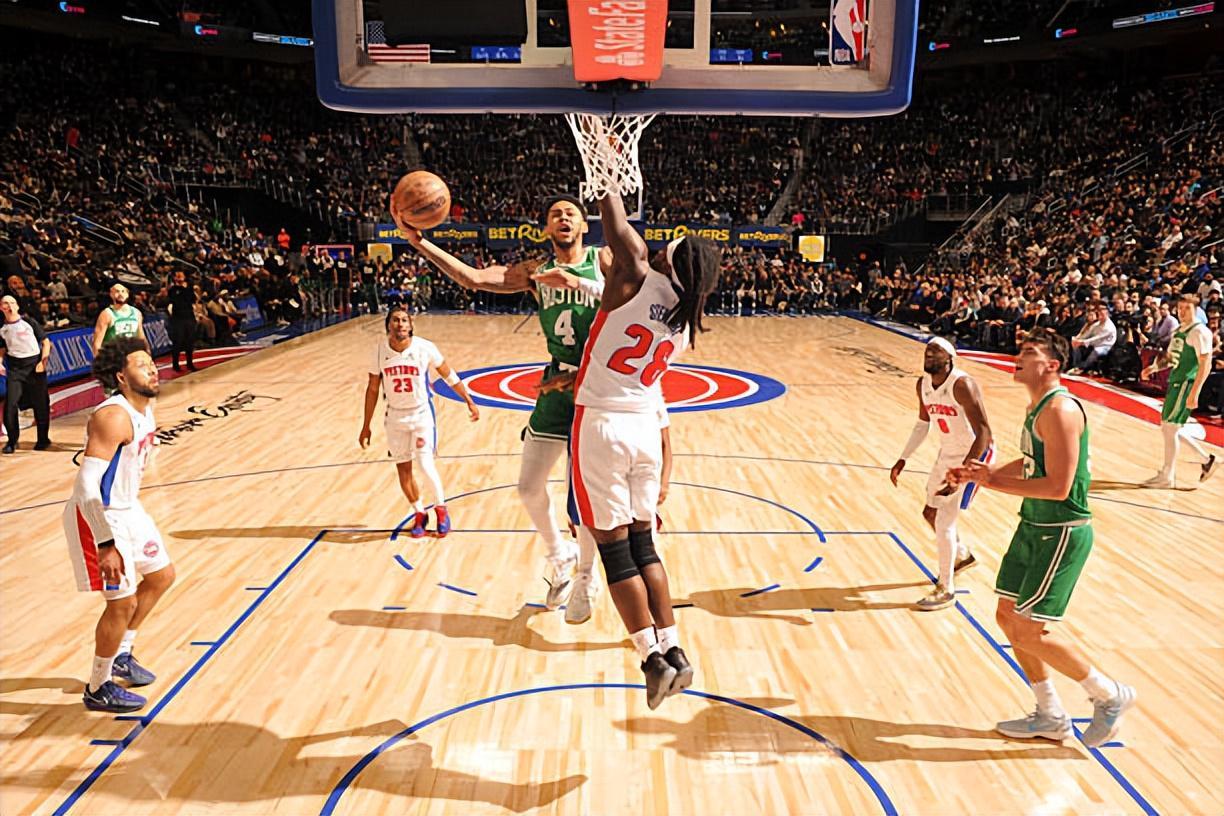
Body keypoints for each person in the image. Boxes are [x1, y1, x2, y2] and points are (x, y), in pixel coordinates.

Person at [395, 194, 611, 622]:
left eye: (571, 213)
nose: (563, 217)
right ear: (546, 228)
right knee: (528, 487)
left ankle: (588, 575)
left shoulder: (601, 261)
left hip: (596, 387)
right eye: (555, 214)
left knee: (581, 496)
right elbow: (475, 278)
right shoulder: (536, 272)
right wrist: (419, 242)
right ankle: (560, 557)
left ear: (584, 226)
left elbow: (632, 295)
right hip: (556, 385)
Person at [570, 189, 721, 709]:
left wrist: (605, 174)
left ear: (666, 259)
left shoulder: (634, 275)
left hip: (602, 425)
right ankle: (674, 649)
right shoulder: (685, 318)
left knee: (614, 551)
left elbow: (618, 228)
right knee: (644, 547)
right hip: (644, 430)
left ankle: (651, 659)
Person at [948, 328, 1134, 747]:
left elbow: (1058, 487)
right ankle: (1050, 714)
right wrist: (984, 473)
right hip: (1033, 525)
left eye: (1029, 352)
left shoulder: (1061, 410)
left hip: (1062, 530)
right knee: (1007, 617)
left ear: (1052, 365)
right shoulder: (1038, 407)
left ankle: (1109, 695)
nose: (1019, 356)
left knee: (1031, 629)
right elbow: (1034, 462)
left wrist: (992, 483)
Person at [64, 337, 176, 712]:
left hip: (128, 507)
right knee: (121, 603)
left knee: (161, 576)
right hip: (99, 514)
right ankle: (98, 687)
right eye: (141, 365)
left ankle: (122, 654)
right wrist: (105, 543)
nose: (153, 368)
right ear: (121, 377)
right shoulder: (113, 416)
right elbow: (86, 487)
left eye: (152, 362)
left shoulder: (145, 408)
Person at [890, 337, 993, 610]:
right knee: (930, 513)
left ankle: (946, 589)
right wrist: (903, 458)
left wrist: (965, 471)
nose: (929, 354)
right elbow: (922, 424)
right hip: (947, 452)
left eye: (935, 351)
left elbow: (984, 433)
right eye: (927, 350)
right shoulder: (922, 385)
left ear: (949, 358)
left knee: (945, 519)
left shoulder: (962, 385)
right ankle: (962, 555)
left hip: (975, 453)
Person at [360, 305, 480, 537]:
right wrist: (366, 425)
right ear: (388, 325)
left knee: (425, 465)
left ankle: (441, 510)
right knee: (403, 470)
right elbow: (372, 389)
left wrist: (469, 400)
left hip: (421, 414)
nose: (400, 324)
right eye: (396, 320)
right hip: (394, 416)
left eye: (404, 320)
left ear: (411, 325)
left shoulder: (425, 348)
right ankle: (419, 513)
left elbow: (449, 375)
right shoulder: (379, 352)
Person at [1139, 294, 1217, 488]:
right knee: (1170, 428)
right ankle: (1206, 460)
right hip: (1175, 380)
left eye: (1186, 308)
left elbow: (1205, 364)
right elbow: (1171, 357)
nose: (1182, 312)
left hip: (1186, 383)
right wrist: (1153, 368)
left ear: (1196, 310)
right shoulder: (1179, 330)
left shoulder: (1200, 332)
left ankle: (1167, 476)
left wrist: (1195, 392)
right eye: (1180, 308)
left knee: (1170, 427)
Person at [0, 294, 52, 453]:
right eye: (5, 303)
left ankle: (43, 439)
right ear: (1, 308)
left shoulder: (29, 322)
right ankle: (12, 441)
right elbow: (2, 349)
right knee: (10, 404)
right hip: (15, 368)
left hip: (34, 366)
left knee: (41, 404)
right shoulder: (2, 328)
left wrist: (43, 362)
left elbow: (46, 342)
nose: (9, 306)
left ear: (17, 306)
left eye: (12, 302)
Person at [91, 283, 146, 355]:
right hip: (114, 356)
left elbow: (142, 337)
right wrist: (98, 359)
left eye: (123, 291)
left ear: (127, 294)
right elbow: (97, 343)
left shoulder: (136, 313)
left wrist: (148, 353)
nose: (120, 294)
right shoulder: (106, 314)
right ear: (111, 294)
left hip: (132, 354)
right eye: (117, 291)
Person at [1067, 301, 1116, 374]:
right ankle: (1075, 365)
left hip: (1105, 346)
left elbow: (1096, 338)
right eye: (1099, 313)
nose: (1100, 315)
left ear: (1107, 314)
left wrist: (1082, 342)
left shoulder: (1109, 327)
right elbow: (1087, 334)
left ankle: (1082, 368)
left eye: (1102, 313)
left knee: (1096, 351)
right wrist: (1077, 340)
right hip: (1093, 343)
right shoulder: (1096, 324)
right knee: (1076, 346)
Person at [166, 271, 197, 372]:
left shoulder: (189, 288)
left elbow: (192, 299)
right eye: (177, 276)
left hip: (189, 316)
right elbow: (174, 300)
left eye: (181, 276)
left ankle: (190, 363)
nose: (179, 277)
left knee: (190, 341)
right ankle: (175, 364)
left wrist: (186, 288)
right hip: (178, 318)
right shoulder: (172, 290)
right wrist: (181, 288)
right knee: (178, 342)